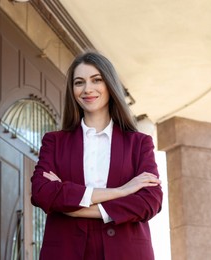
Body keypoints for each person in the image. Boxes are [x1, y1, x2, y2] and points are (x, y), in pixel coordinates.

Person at [31, 51, 163, 260]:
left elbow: (150, 202)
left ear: (109, 85)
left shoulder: (139, 143)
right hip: (66, 251)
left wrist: (74, 206)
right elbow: (42, 193)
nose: (87, 89)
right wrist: (122, 191)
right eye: (79, 82)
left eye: (96, 80)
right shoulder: (54, 142)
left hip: (126, 252)